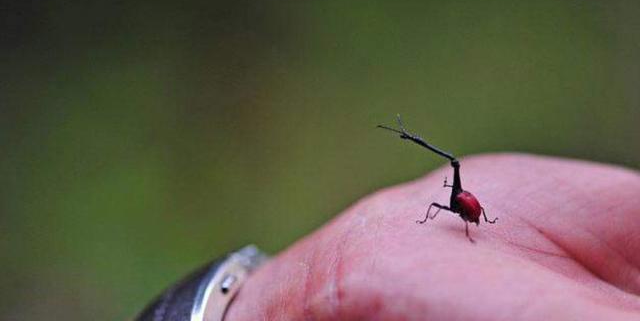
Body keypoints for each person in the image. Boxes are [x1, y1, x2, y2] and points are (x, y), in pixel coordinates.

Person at [224, 154, 640, 320]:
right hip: (470, 207)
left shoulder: (461, 203)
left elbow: (466, 204)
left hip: (471, 208)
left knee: (449, 206)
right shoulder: (459, 200)